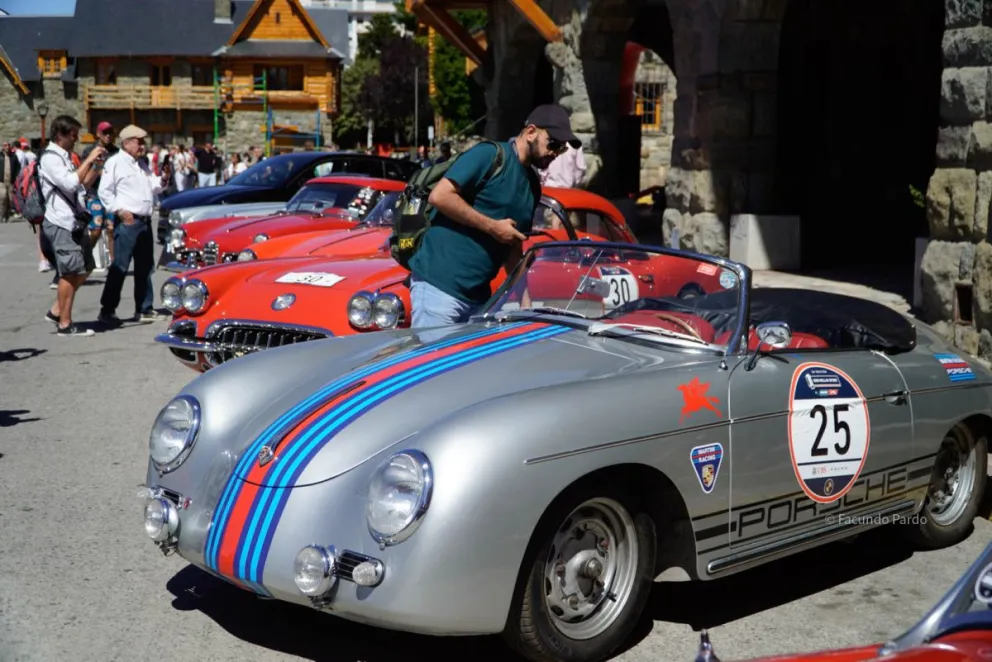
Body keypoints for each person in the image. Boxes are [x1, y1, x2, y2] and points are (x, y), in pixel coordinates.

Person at [408, 103, 578, 327]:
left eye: (562, 149)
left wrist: (525, 301)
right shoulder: (489, 155)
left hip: (479, 299)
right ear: (531, 132)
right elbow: (440, 196)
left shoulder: (533, 186)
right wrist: (492, 227)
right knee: (432, 351)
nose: (555, 153)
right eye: (553, 144)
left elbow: (514, 246)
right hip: (439, 287)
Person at [96, 124, 171, 325]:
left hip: (144, 222)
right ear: (127, 143)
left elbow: (154, 186)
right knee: (120, 267)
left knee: (145, 268)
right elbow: (104, 191)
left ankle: (144, 308)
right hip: (128, 222)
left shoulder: (141, 164)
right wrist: (120, 211)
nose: (143, 146)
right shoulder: (115, 163)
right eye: (139, 142)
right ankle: (107, 310)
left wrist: (164, 178)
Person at [40, 114, 107, 337]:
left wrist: (96, 166)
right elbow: (69, 183)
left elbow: (81, 185)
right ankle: (65, 324)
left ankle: (56, 311)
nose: (76, 139)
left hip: (75, 222)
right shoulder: (50, 158)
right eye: (73, 135)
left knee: (86, 267)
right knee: (69, 273)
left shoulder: (66, 157)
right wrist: (89, 159)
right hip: (61, 222)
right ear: (60, 134)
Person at [83, 121, 119, 267]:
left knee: (111, 229)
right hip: (94, 194)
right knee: (96, 230)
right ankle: (85, 256)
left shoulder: (117, 152)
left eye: (110, 133)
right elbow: (84, 171)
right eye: (105, 133)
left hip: (111, 195)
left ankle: (114, 263)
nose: (108, 135)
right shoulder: (90, 151)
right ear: (98, 134)